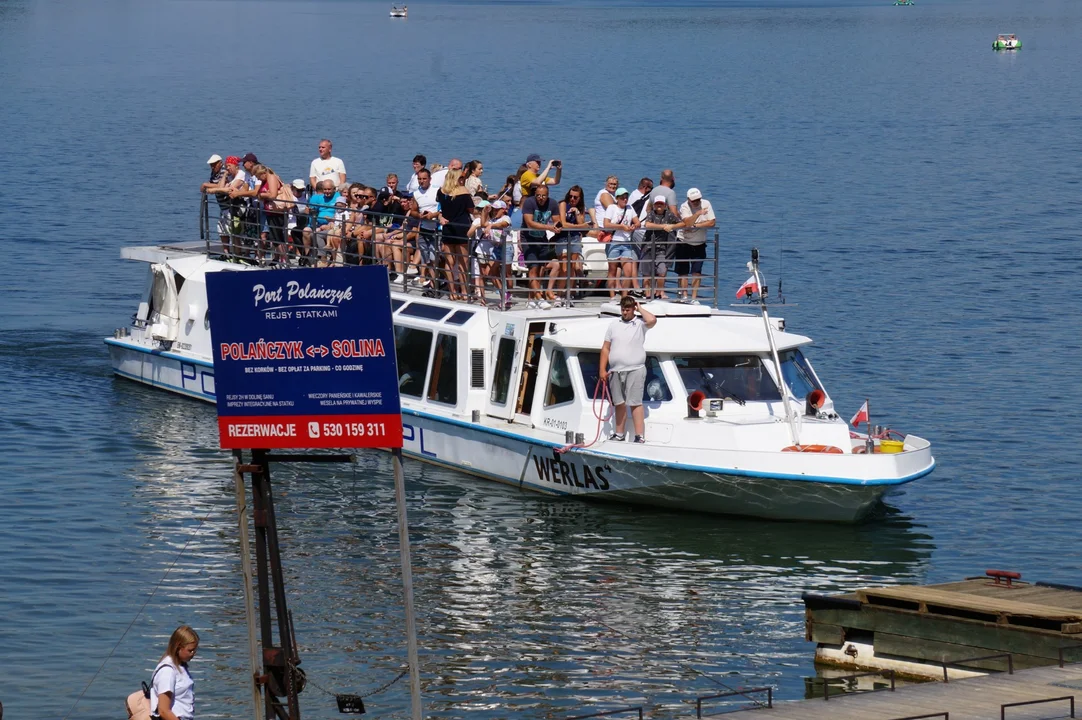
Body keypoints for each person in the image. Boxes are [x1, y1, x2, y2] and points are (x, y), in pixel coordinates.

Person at [599, 296, 657, 444]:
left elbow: (652, 320)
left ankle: (639, 436)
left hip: (635, 369)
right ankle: (619, 433)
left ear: (633, 309)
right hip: (615, 370)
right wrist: (602, 369)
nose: (625, 312)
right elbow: (606, 348)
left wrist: (640, 308)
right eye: (623, 309)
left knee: (635, 402)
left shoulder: (640, 324)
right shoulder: (613, 325)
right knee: (619, 403)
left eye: (628, 309)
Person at [520, 183, 561, 309]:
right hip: (528, 238)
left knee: (541, 270)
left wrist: (558, 227)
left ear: (547, 196)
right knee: (533, 268)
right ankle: (538, 297)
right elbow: (529, 223)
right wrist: (549, 227)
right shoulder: (529, 203)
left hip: (542, 239)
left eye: (543, 196)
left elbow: (557, 221)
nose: (540, 198)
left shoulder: (553, 204)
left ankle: (531, 298)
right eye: (538, 195)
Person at [550, 185, 591, 304]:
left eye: (575, 197)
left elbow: (582, 224)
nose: (572, 199)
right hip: (563, 238)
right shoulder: (563, 204)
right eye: (571, 196)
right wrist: (579, 226)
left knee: (572, 267)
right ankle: (560, 294)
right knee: (564, 267)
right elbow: (563, 224)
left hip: (575, 238)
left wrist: (577, 213)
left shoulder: (580, 208)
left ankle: (569, 294)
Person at [437, 169, 474, 300]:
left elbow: (440, 208)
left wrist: (441, 216)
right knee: (463, 261)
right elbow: (471, 209)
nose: (463, 180)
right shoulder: (463, 192)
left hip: (447, 227)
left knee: (449, 262)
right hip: (461, 228)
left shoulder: (441, 191)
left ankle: (452, 292)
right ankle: (464, 291)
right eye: (461, 178)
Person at [149, 625, 200, 720]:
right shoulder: (167, 671)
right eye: (190, 650)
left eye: (194, 650)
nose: (193, 653)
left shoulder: (181, 666)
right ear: (178, 647)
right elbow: (164, 710)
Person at [640, 195, 684, 299]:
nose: (659, 206)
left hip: (661, 248)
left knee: (662, 270)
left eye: (661, 203)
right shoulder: (651, 214)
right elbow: (648, 225)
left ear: (665, 205)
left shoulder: (669, 215)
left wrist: (672, 226)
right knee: (647, 272)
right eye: (657, 204)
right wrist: (663, 227)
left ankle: (660, 292)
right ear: (654, 205)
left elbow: (682, 223)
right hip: (648, 246)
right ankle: (647, 294)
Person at [676, 187, 716, 303]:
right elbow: (687, 223)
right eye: (694, 200)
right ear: (689, 200)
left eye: (698, 199)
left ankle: (694, 297)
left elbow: (712, 222)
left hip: (699, 242)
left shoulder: (706, 204)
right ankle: (684, 295)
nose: (697, 202)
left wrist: (696, 226)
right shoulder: (684, 206)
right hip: (683, 241)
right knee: (683, 270)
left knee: (697, 271)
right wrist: (698, 214)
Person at [603, 187, 641, 298]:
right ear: (617, 198)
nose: (625, 200)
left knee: (628, 272)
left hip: (626, 243)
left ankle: (624, 296)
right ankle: (612, 296)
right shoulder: (611, 208)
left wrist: (634, 226)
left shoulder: (630, 208)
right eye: (622, 198)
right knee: (612, 271)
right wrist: (621, 227)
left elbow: (637, 222)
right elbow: (606, 224)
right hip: (614, 242)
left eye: (626, 197)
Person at [411, 168, 441, 293]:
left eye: (424, 178)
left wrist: (432, 215)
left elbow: (443, 209)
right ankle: (433, 284)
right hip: (423, 228)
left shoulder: (437, 191)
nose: (421, 181)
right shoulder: (416, 193)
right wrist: (420, 216)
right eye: (419, 179)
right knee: (426, 258)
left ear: (430, 179)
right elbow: (413, 210)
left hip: (436, 229)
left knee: (435, 259)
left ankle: (436, 285)